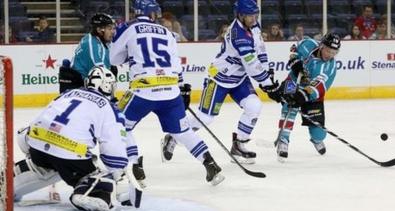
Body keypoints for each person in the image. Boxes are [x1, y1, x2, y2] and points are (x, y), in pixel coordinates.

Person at [110, 0, 224, 185]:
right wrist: (182, 89)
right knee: (183, 131)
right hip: (171, 91)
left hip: (143, 90)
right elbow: (175, 62)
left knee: (119, 124)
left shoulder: (128, 29)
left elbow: (114, 59)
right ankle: (210, 164)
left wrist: (129, 54)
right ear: (152, 13)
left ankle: (135, 167)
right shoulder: (167, 32)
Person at [161, 0, 279, 165]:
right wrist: (268, 84)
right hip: (219, 79)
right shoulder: (238, 35)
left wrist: (268, 73)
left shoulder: (254, 27)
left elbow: (260, 49)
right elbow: (252, 65)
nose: (254, 18)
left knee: (254, 106)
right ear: (240, 15)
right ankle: (173, 136)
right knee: (205, 118)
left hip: (239, 79)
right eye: (250, 15)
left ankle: (239, 145)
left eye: (255, 15)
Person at [13, 67, 141, 211]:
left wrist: (30, 146)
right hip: (69, 156)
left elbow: (39, 119)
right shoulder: (109, 108)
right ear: (110, 87)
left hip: (36, 146)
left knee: (48, 162)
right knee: (103, 178)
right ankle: (91, 191)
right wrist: (118, 173)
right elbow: (113, 151)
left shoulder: (67, 94)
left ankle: (17, 174)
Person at [268, 33, 341, 162]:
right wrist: (295, 61)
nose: (330, 55)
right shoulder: (309, 44)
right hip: (293, 81)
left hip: (312, 94)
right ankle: (283, 140)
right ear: (321, 45)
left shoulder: (330, 67)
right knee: (288, 107)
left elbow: (319, 86)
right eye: (328, 50)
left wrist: (303, 95)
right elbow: (294, 48)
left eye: (334, 52)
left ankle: (316, 139)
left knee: (318, 132)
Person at [59, 13, 116, 93]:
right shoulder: (93, 45)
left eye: (113, 28)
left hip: (81, 84)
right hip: (79, 87)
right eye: (109, 29)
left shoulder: (95, 40)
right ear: (99, 30)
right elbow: (101, 73)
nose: (113, 32)